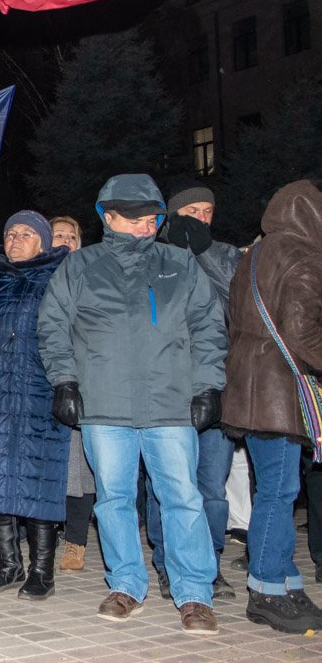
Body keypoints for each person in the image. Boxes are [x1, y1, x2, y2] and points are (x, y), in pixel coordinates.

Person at [38, 174, 226, 634]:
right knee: (114, 499)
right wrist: (64, 381)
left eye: (152, 217)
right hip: (104, 403)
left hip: (171, 403)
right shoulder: (79, 267)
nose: (146, 225)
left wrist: (208, 386)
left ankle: (194, 594)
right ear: (108, 216)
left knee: (182, 498)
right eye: (135, 217)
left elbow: (208, 326)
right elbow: (53, 326)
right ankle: (125, 584)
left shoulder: (179, 263)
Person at [221, 179, 322, 633]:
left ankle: (286, 581)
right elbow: (303, 332)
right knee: (279, 492)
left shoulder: (254, 255)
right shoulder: (302, 257)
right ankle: (265, 591)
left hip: (248, 385)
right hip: (278, 391)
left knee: (274, 489)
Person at [0, 211, 69, 600]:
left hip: (37, 391)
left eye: (26, 234)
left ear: (43, 242)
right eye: (10, 233)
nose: (15, 239)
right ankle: (9, 564)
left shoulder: (60, 277)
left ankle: (41, 571)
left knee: (38, 479)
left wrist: (67, 385)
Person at [146, 180, 243, 600]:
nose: (201, 218)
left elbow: (239, 303)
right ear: (172, 217)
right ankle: (168, 563)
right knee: (165, 483)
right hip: (165, 388)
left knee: (211, 487)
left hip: (217, 385)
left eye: (207, 211)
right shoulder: (152, 254)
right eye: (192, 212)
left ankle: (210, 565)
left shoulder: (226, 254)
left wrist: (204, 253)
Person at [46, 215, 95, 574]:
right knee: (47, 467)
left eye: (71, 236)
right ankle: (43, 534)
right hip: (41, 382)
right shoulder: (37, 277)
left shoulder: (92, 278)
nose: (64, 240)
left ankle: (76, 541)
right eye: (57, 235)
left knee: (80, 468)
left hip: (82, 381)